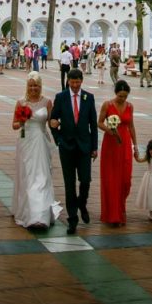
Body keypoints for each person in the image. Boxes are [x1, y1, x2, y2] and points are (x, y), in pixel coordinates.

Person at [49, 67, 98, 235]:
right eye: (72, 82)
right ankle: (72, 219)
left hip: (84, 147)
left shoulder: (88, 97)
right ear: (68, 81)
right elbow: (53, 119)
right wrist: (58, 139)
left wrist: (94, 147)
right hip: (67, 147)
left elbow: (93, 124)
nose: (75, 85)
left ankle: (82, 203)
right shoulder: (61, 97)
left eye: (78, 82)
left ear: (81, 81)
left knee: (85, 180)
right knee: (69, 185)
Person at [11, 74, 62, 230]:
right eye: (31, 85)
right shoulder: (21, 102)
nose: (33, 88)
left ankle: (40, 215)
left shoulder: (47, 102)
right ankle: (28, 211)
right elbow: (14, 125)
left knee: (41, 176)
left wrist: (57, 122)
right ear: (27, 86)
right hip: (25, 141)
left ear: (41, 86)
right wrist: (21, 121)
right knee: (27, 176)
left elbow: (51, 122)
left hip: (41, 141)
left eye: (36, 86)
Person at [98, 79, 139, 226]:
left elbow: (132, 126)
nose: (122, 99)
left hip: (125, 144)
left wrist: (135, 145)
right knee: (111, 179)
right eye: (120, 96)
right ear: (116, 93)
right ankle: (113, 214)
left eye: (125, 96)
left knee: (125, 180)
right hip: (111, 144)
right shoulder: (107, 105)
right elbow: (100, 122)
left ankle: (121, 208)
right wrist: (109, 130)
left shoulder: (130, 106)